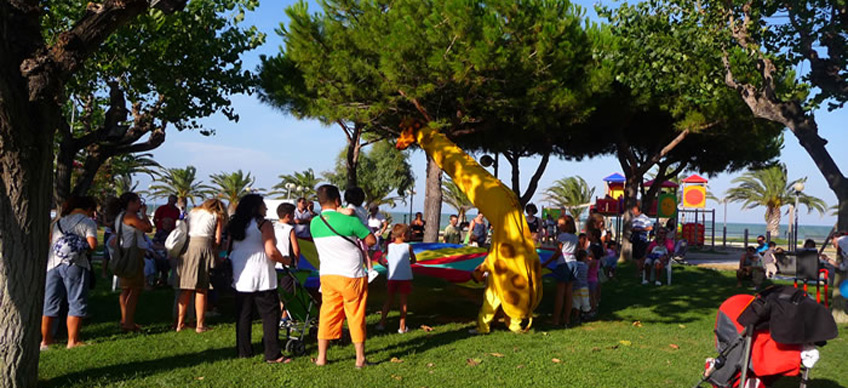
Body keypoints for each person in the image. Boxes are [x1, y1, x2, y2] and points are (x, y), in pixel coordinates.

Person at [310, 185, 376, 368]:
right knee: (355, 315)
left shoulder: (314, 223)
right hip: (351, 275)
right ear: (338, 200)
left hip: (328, 275)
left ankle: (322, 357)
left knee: (328, 314)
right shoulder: (351, 220)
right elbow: (371, 240)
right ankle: (360, 359)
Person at [228, 194, 291, 363]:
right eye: (264, 205)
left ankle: (244, 350)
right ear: (256, 207)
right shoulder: (264, 224)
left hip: (240, 271)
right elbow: (270, 250)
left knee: (243, 314)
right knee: (270, 314)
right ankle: (272, 353)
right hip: (261, 272)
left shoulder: (236, 224)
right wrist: (285, 260)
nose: (266, 208)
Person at [41, 196, 98, 350]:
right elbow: (92, 244)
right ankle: (73, 340)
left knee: (50, 302)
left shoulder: (58, 222)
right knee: (76, 301)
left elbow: (50, 241)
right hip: (76, 264)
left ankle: (46, 340)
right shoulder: (87, 222)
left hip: (53, 265)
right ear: (88, 209)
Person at [176, 199, 227, 333]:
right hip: (203, 247)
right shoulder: (216, 216)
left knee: (186, 287)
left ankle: (180, 323)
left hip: (188, 247)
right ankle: (200, 324)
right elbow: (217, 239)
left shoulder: (193, 212)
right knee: (202, 288)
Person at [112, 192, 152, 332]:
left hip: (125, 252)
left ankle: (125, 319)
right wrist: (144, 214)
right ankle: (128, 322)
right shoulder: (130, 216)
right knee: (135, 289)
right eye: (137, 201)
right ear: (131, 203)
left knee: (126, 289)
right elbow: (148, 228)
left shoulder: (120, 216)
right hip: (133, 254)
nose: (140, 204)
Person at [378, 223, 417, 333]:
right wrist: (406, 263)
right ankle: (402, 326)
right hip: (404, 277)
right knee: (403, 302)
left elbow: (381, 260)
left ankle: (382, 323)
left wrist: (388, 266)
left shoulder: (389, 246)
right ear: (404, 234)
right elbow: (414, 260)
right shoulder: (408, 247)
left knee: (389, 300)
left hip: (392, 277)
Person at [541, 216, 579, 326]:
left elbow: (558, 253)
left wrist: (546, 263)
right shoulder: (575, 237)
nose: (559, 226)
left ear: (566, 225)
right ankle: (566, 318)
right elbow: (575, 251)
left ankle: (556, 319)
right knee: (569, 293)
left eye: (561, 224)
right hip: (573, 262)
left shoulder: (562, 236)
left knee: (560, 293)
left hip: (564, 263)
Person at [274, 202, 301, 326]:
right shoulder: (289, 229)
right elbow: (296, 248)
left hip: (273, 264)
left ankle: (277, 315)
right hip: (286, 265)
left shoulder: (272, 227)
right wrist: (296, 261)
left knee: (276, 292)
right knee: (286, 293)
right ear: (288, 215)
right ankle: (284, 317)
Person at [630, 202, 653, 275]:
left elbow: (650, 227)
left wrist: (640, 229)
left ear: (639, 211)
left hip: (642, 239)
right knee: (635, 256)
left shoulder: (645, 218)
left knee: (641, 255)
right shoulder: (633, 219)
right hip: (635, 238)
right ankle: (639, 269)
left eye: (635, 212)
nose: (634, 213)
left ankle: (640, 270)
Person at [571, 250, 591, 325]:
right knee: (585, 301)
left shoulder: (575, 265)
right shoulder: (585, 266)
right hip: (583, 286)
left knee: (576, 302)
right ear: (584, 257)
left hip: (575, 286)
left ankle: (576, 316)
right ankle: (586, 314)